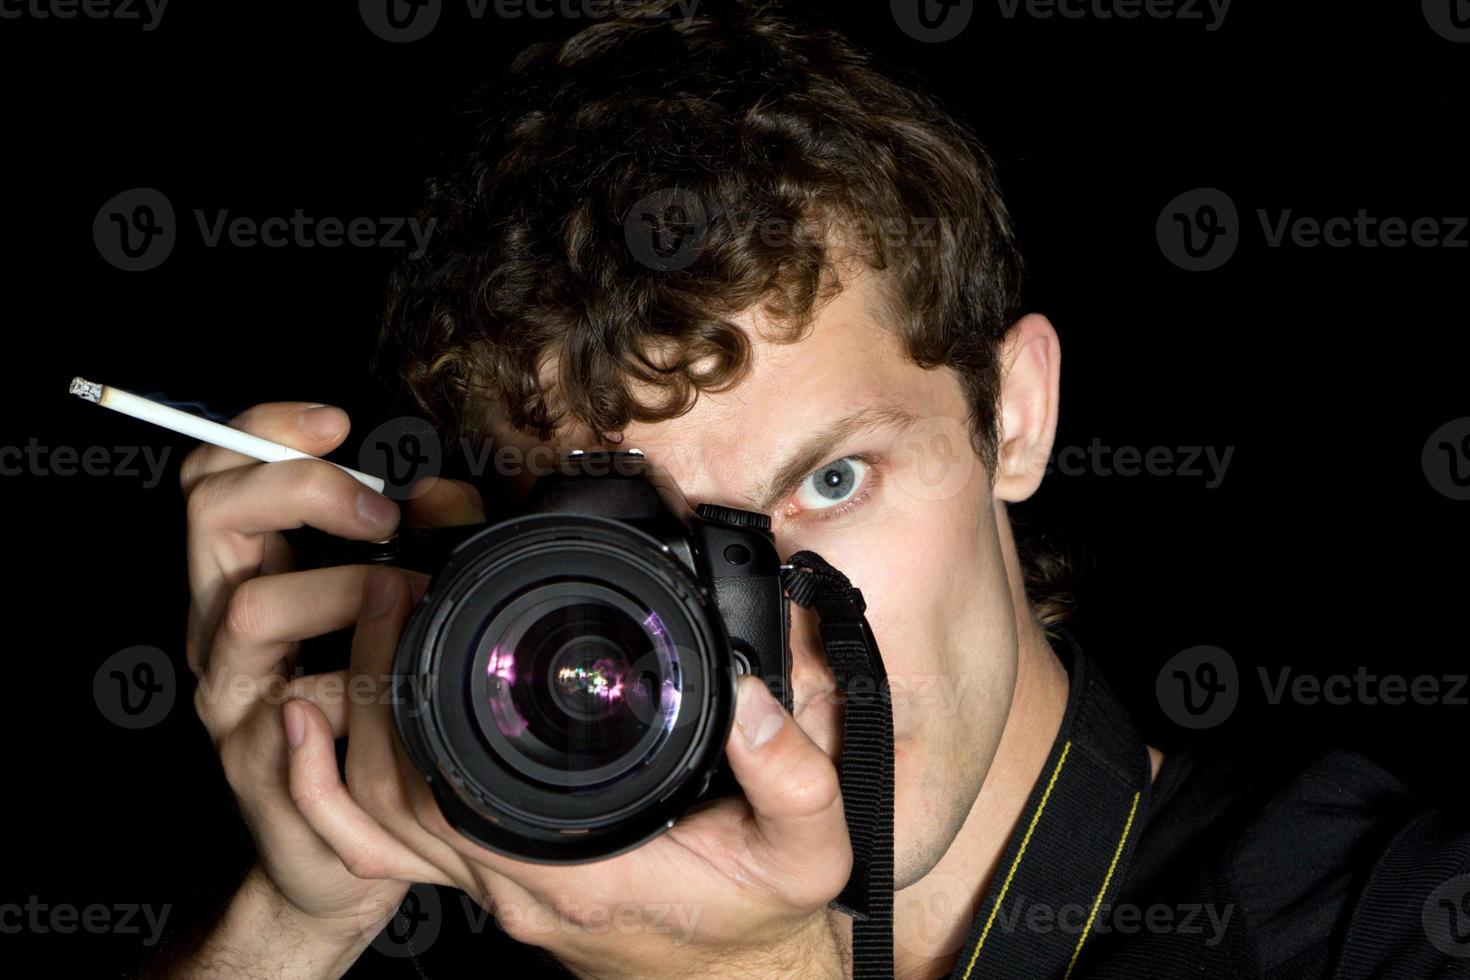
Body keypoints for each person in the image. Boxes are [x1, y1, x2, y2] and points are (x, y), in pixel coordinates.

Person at [144, 2, 1470, 977]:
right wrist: (294, 917)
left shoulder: (1383, 924)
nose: (766, 637)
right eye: (651, 550)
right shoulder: (488, 903)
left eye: (832, 479)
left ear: (1011, 416)